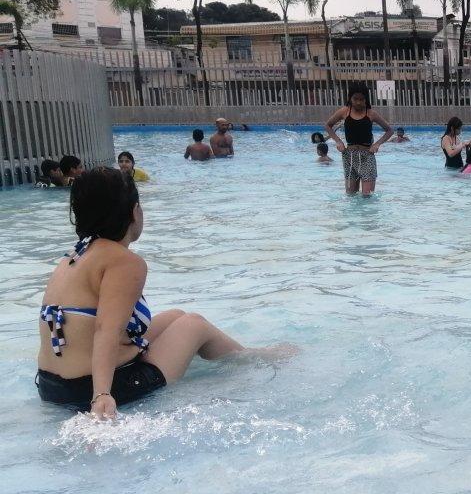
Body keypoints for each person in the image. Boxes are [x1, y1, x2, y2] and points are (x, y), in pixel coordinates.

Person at [34, 167, 293, 418]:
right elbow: (106, 330)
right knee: (194, 325)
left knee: (176, 316)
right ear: (134, 211)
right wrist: (101, 395)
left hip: (51, 385)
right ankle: (251, 359)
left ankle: (241, 355)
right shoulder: (123, 261)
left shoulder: (75, 256)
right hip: (88, 390)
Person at [323, 85, 394, 196]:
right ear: (350, 98)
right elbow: (328, 125)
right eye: (355, 99)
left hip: (367, 156)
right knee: (350, 195)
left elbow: (389, 130)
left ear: (366, 99)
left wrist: (377, 144)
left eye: (362, 99)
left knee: (367, 196)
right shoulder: (345, 112)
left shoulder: (371, 113)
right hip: (349, 156)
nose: (358, 102)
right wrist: (338, 141)